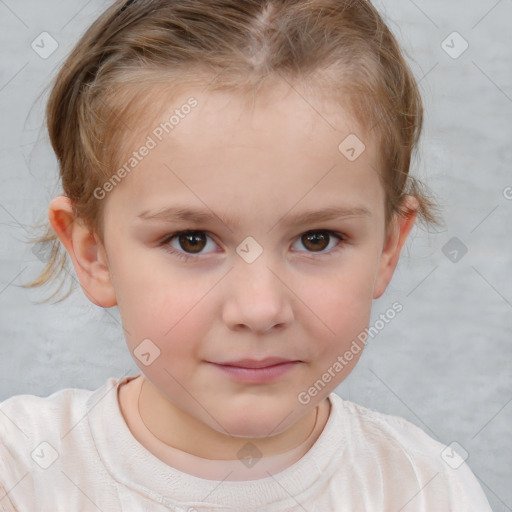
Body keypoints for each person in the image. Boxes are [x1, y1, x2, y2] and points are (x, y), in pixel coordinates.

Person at [0, 0, 493, 510]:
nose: (260, 310)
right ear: (93, 253)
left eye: (317, 239)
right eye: (191, 240)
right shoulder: (20, 470)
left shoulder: (424, 488)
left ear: (388, 248)